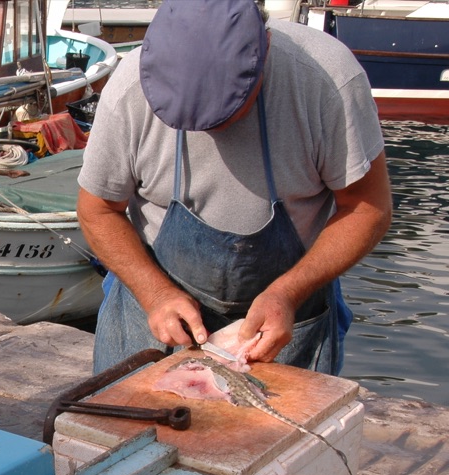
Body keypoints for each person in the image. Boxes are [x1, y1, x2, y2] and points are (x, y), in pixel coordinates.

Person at [77, 0, 392, 376]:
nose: (207, 128)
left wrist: (287, 293)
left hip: (285, 319)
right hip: (152, 309)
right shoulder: (128, 89)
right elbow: (97, 209)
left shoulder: (327, 81)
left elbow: (367, 207)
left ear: (266, 49)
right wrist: (155, 293)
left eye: (225, 110)